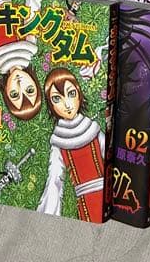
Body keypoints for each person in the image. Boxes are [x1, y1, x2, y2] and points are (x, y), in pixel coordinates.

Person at [37, 69, 105, 221]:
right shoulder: (59, 141)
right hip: (86, 203)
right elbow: (55, 181)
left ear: (79, 94)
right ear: (50, 105)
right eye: (57, 99)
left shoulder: (92, 129)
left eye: (71, 93)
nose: (67, 104)